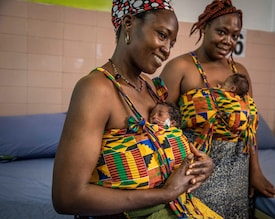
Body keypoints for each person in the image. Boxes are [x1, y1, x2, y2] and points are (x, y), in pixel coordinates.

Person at [52, 1, 216, 218]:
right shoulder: (97, 89)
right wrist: (165, 193)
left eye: (172, 43)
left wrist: (200, 166)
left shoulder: (151, 88)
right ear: (128, 23)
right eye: (162, 35)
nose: (167, 50)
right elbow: (67, 197)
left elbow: (162, 149)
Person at [160, 0, 275, 218]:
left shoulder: (239, 73)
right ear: (204, 27)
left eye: (235, 35)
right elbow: (161, 123)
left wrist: (256, 173)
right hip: (194, 169)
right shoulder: (180, 67)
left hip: (236, 170)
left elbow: (249, 129)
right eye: (222, 32)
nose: (228, 41)